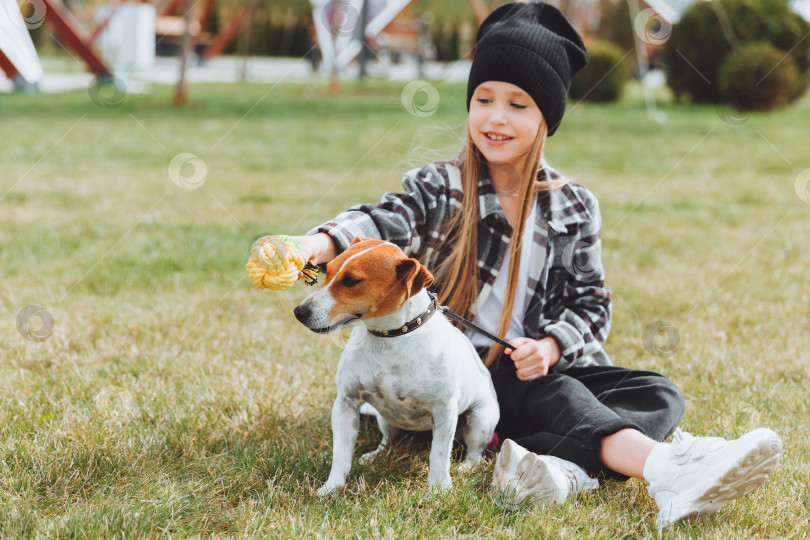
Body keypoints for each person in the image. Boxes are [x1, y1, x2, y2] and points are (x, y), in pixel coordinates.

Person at [271, 1, 782, 528]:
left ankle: (561, 472)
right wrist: (313, 246)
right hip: (467, 377)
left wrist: (551, 345)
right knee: (556, 396)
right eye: (483, 98)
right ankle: (667, 470)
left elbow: (592, 302)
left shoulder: (573, 205)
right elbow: (380, 224)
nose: (495, 116)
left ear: (546, 118)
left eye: (518, 104)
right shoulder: (440, 189)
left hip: (542, 363)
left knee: (655, 391)